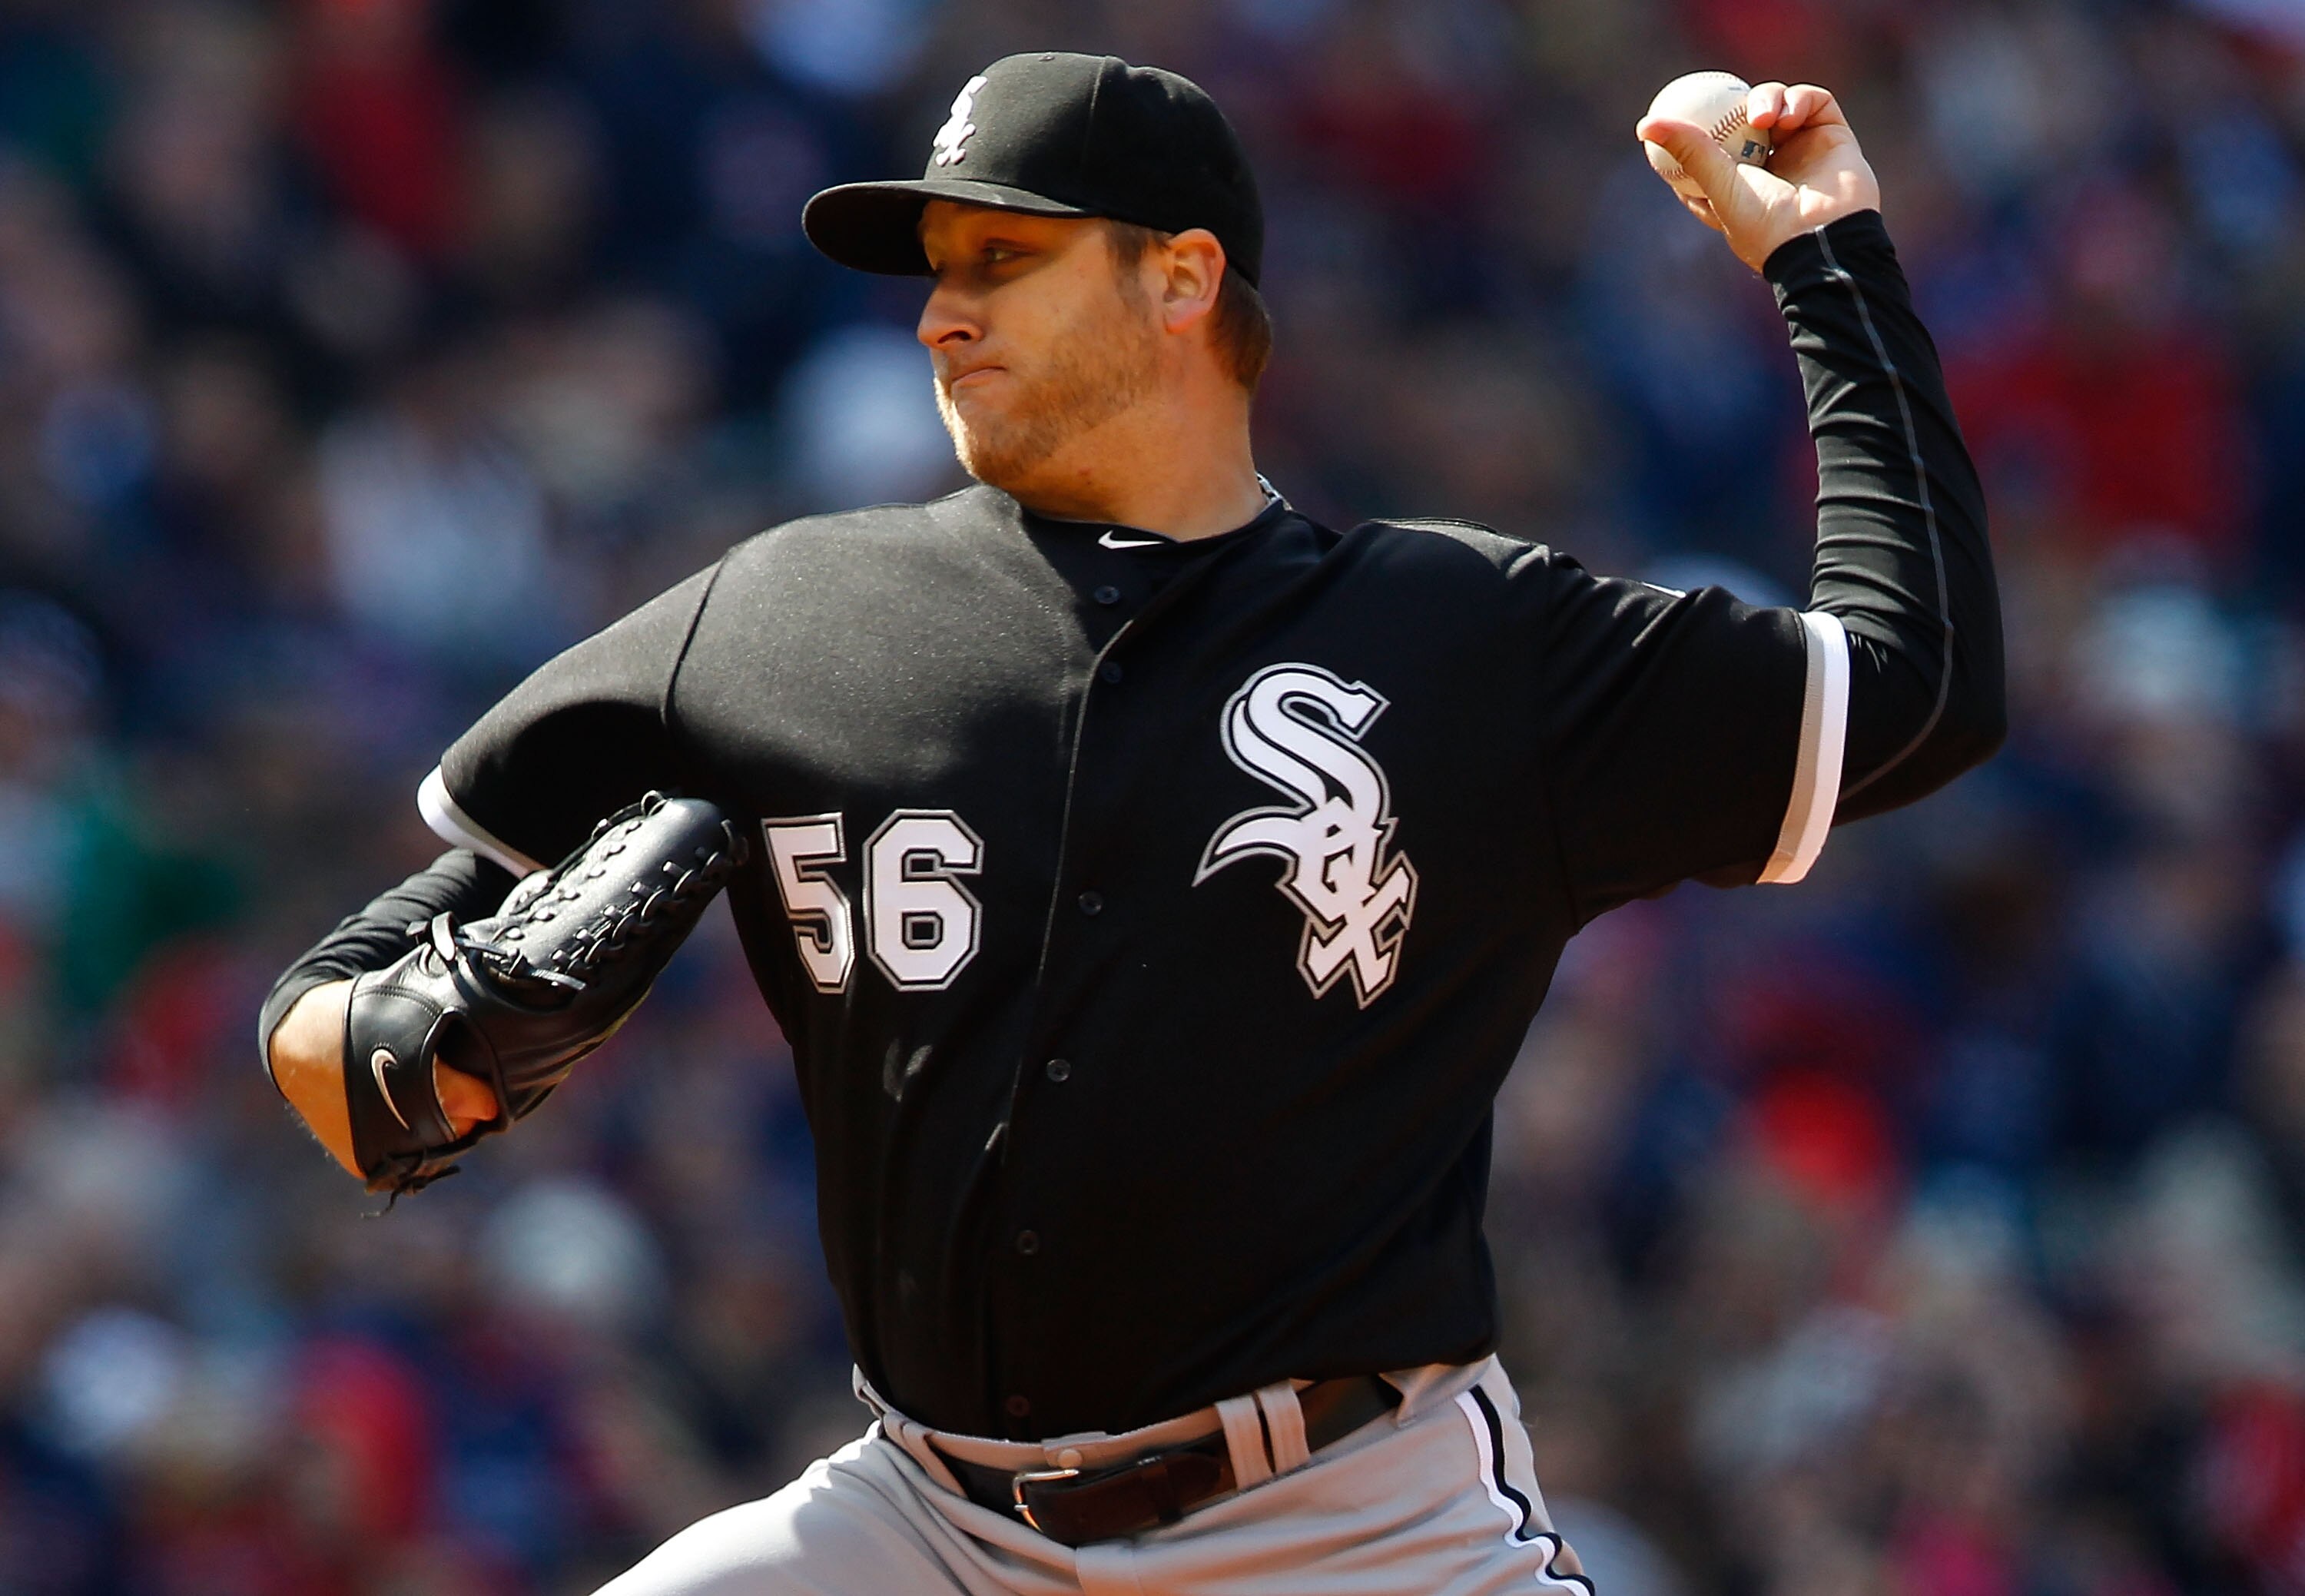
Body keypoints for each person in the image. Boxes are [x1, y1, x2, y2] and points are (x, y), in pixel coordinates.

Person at [261, 51, 2002, 1595]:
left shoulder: (1457, 640)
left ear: (1182, 280)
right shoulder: (784, 619)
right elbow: (336, 1009)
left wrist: (1823, 257)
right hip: (927, 1526)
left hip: (1349, 1526)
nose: (942, 313)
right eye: (937, 275)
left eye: (1001, 263)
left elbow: (1914, 685)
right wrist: (422, 1044)